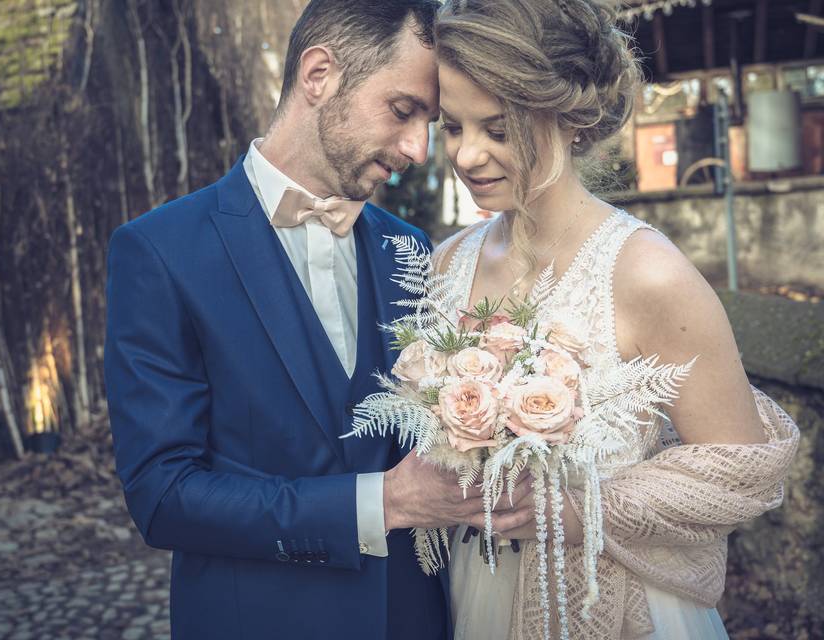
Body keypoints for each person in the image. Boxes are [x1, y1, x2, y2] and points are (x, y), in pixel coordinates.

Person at [103, 1, 533, 638]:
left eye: (428, 122)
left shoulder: (410, 250)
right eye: (402, 110)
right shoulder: (161, 252)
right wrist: (380, 504)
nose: (418, 149)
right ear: (319, 74)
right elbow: (163, 497)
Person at [428, 1, 800, 638]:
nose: (466, 155)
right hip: (470, 591)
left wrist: (580, 510)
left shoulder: (646, 274)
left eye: (496, 128)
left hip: (608, 603)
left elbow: (744, 468)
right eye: (452, 126)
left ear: (568, 117)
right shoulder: (447, 263)